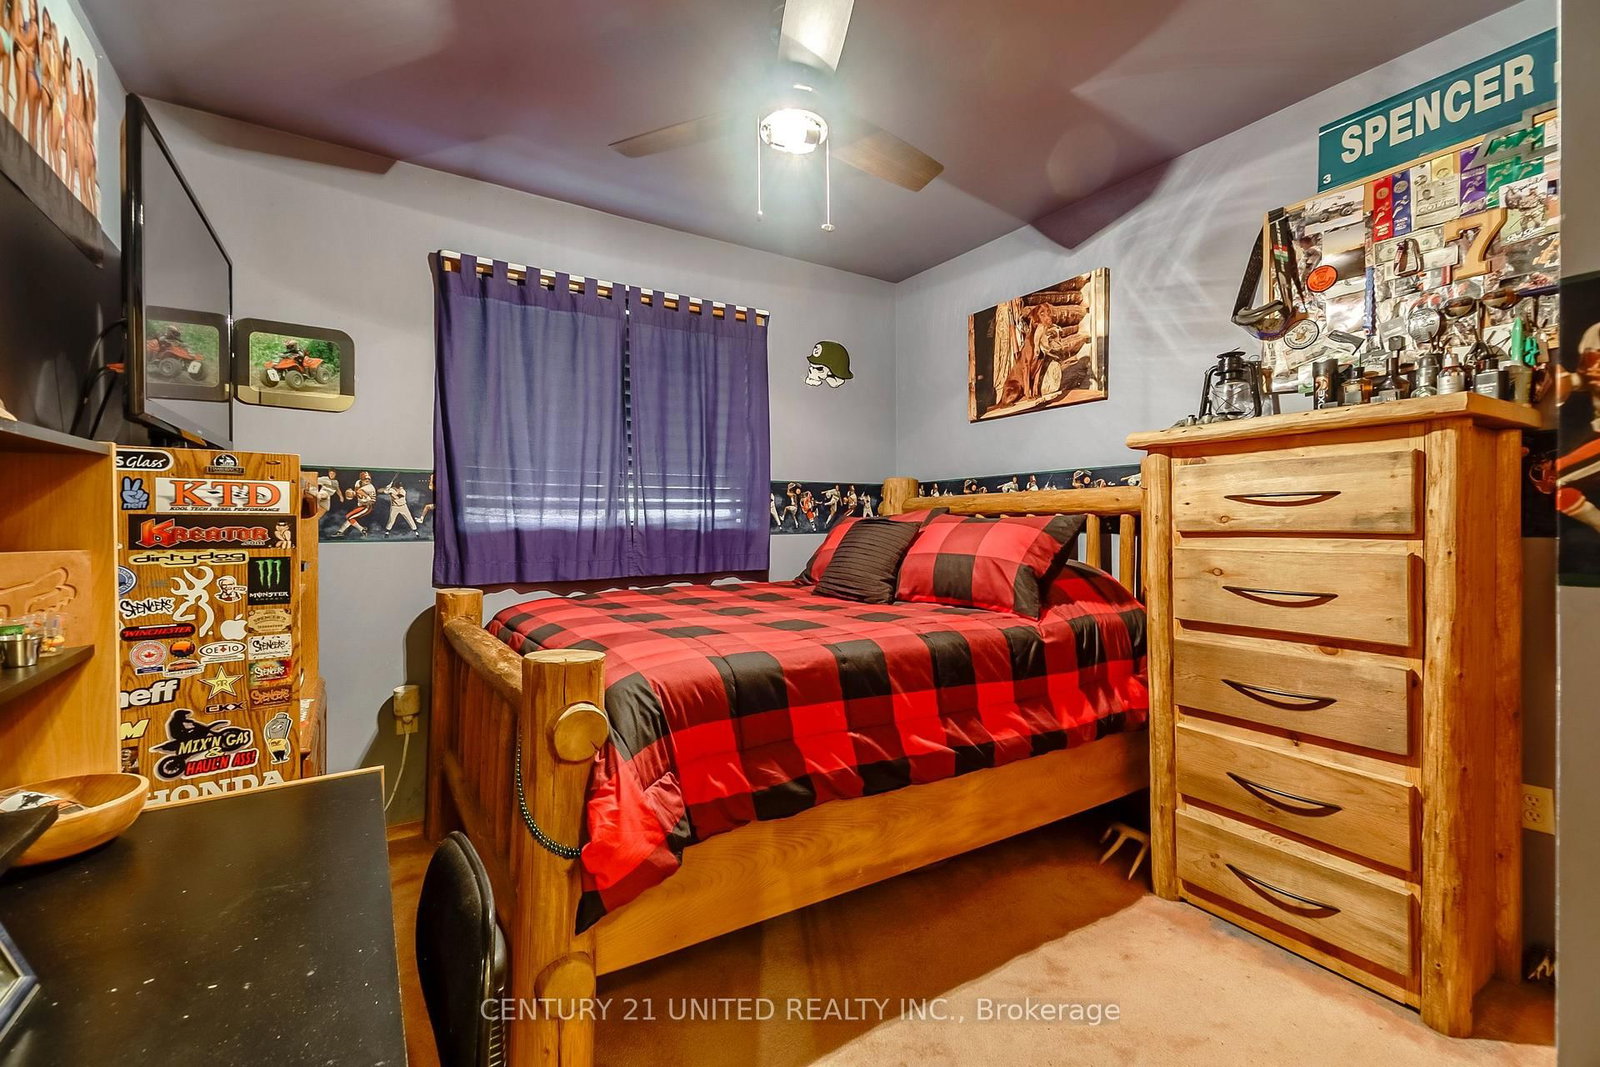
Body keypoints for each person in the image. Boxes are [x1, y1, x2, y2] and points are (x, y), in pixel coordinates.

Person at [337, 472, 377, 536]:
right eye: (365, 478)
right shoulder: (358, 482)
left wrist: (353, 493)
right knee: (350, 517)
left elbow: (359, 491)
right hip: (361, 505)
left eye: (369, 479)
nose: (367, 480)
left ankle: (360, 529)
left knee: (349, 517)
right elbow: (356, 491)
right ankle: (340, 531)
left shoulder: (370, 487)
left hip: (366, 506)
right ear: (361, 479)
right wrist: (353, 493)